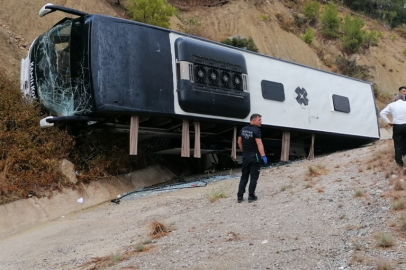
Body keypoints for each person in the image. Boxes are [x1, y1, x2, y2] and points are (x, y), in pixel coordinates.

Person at [237, 113, 268, 203]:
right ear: (253, 120)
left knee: (244, 176)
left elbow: (239, 142)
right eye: (259, 120)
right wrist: (263, 156)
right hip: (255, 156)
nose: (261, 122)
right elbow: (259, 144)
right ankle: (251, 196)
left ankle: (240, 196)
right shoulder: (256, 130)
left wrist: (244, 151)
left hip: (245, 156)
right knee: (254, 177)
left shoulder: (243, 129)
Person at [380, 93, 406, 167]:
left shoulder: (392, 105)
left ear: (396, 98)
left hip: (397, 125)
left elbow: (382, 113)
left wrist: (388, 122)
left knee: (398, 144)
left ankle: (399, 162)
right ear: (404, 99)